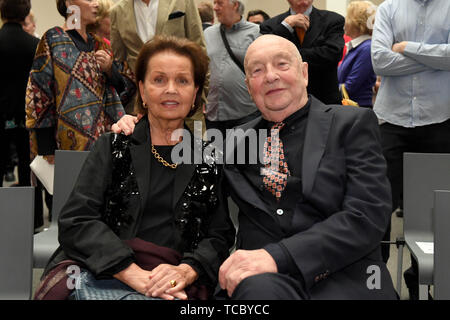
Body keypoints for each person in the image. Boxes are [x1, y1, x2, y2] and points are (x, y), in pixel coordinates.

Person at [113, 34, 398, 300]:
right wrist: (138, 129)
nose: (271, 76)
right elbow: (178, 172)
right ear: (249, 87)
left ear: (304, 73)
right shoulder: (232, 143)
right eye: (257, 71)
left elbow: (367, 215)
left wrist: (279, 256)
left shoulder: (350, 124)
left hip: (343, 273)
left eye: (281, 64)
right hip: (263, 284)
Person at [34, 35, 235, 300]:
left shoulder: (208, 158)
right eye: (159, 79)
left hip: (175, 281)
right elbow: (77, 220)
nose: (171, 89)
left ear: (195, 92)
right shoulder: (113, 145)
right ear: (142, 89)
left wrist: (187, 270)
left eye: (183, 80)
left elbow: (219, 235)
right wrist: (131, 273)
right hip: (102, 271)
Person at [371, 0, 450, 299]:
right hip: (390, 121)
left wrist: (405, 47)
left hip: (440, 120)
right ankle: (375, 282)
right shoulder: (389, 8)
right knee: (378, 206)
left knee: (434, 213)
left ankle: (426, 283)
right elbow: (379, 61)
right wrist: (437, 56)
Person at [26, 0, 136, 164]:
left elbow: (127, 87)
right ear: (69, 2)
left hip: (104, 148)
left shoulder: (99, 45)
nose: (96, 3)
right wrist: (46, 148)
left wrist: (110, 70)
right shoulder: (53, 40)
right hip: (65, 147)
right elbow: (38, 93)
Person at [110, 0, 206, 121]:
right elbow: (119, 59)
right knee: (148, 139)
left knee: (194, 139)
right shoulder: (117, 11)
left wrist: (202, 95)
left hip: (186, 104)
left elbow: (200, 50)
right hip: (141, 107)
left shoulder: (182, 2)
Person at [260, 0, 344, 105]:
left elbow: (333, 53)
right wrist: (286, 26)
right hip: (284, 101)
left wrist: (287, 57)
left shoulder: (332, 20)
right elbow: (269, 55)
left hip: (324, 99)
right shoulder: (271, 26)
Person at [0, 0, 40, 220]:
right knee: (28, 169)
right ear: (25, 13)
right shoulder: (34, 45)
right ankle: (32, 220)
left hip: (1, 116)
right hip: (27, 117)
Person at [203, 0, 260, 136]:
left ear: (235, 5)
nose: (215, 8)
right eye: (214, 3)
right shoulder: (207, 34)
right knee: (216, 156)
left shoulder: (256, 32)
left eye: (219, 3)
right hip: (213, 115)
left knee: (244, 156)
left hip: (246, 114)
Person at [338, 1, 376, 108]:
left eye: (347, 17)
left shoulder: (366, 48)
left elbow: (350, 86)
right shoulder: (358, 46)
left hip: (358, 109)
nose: (344, 21)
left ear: (357, 22)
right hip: (351, 108)